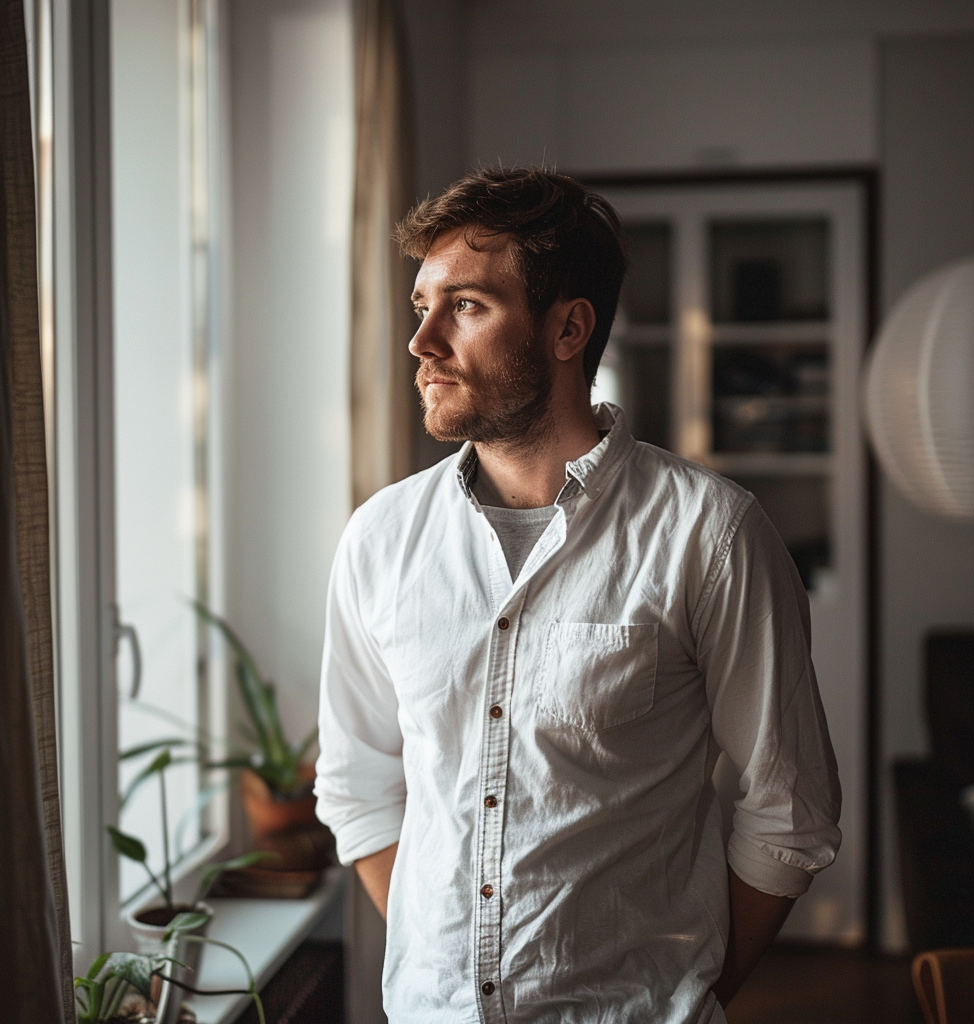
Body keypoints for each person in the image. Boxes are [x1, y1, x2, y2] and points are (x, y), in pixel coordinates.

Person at [314, 167, 842, 1024]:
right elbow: (358, 785)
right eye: (422, 306)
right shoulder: (380, 541)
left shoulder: (712, 535)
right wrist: (447, 975)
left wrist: (691, 997)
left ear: (568, 328)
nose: (422, 342)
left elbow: (788, 812)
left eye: (468, 307)